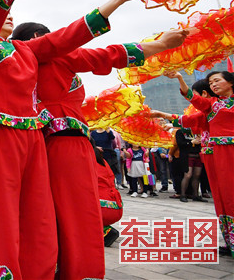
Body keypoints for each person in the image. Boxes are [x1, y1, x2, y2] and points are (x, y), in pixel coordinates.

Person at [0, 0, 149, 279]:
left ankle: (43, 272)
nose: (10, 17)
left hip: (34, 136)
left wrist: (119, 0)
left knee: (41, 215)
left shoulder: (27, 50)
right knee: (2, 212)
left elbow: (69, 37)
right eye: (2, 14)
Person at [10, 14, 186, 279]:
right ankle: (79, 271)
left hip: (39, 143)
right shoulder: (52, 55)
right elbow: (107, 55)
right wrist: (160, 45)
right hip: (62, 144)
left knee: (43, 213)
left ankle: (46, 269)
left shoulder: (22, 63)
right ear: (39, 38)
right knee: (77, 212)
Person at [157, 70, 234, 257]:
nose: (213, 84)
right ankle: (231, 240)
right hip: (219, 153)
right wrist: (179, 78)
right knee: (224, 195)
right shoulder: (213, 105)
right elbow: (191, 102)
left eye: (217, 80)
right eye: (211, 82)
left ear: (231, 82)